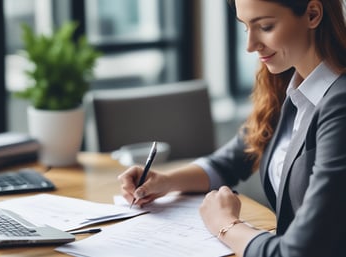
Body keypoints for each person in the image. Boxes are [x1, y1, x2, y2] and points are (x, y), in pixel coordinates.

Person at [118, 0, 346, 256]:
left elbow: (300, 251)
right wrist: (165, 181)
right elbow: (231, 160)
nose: (250, 46)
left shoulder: (339, 104)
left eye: (266, 26)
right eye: (246, 27)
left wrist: (226, 224)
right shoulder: (287, 83)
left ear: (313, 14)